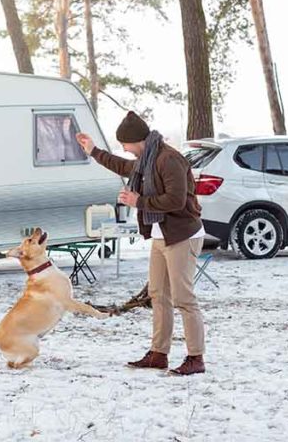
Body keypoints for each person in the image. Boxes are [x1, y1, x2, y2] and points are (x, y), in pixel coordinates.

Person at [76, 111, 207, 376]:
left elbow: (176, 200)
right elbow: (122, 166)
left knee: (183, 298)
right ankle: (159, 353)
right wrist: (93, 151)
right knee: (158, 295)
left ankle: (196, 357)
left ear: (137, 140)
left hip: (182, 235)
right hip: (161, 235)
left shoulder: (169, 160)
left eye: (124, 144)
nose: (123, 149)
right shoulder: (146, 159)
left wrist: (139, 202)